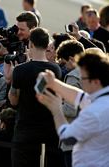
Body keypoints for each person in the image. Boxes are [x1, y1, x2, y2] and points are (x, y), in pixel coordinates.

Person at [36, 48, 109, 167]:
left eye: (83, 78)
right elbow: (80, 97)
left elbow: (68, 137)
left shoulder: (95, 112)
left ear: (95, 81)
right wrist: (53, 83)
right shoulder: (103, 99)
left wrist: (56, 110)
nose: (81, 81)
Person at [7, 27, 64, 167]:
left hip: (25, 130)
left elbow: (13, 101)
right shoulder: (55, 69)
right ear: (46, 45)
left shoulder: (20, 70)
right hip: (49, 130)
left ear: (31, 44)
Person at [56, 40, 85, 167]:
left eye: (64, 62)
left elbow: (70, 109)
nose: (64, 67)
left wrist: (54, 105)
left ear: (71, 58)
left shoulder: (73, 76)